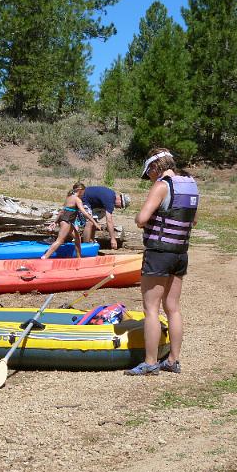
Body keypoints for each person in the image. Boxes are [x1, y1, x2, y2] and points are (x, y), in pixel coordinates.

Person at [126, 148, 199, 376]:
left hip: (159, 253)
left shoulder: (161, 185)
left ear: (155, 168)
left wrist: (138, 217)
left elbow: (142, 219)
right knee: (173, 307)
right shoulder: (190, 185)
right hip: (180, 253)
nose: (149, 177)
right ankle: (173, 360)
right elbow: (193, 220)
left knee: (151, 308)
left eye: (148, 173)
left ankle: (150, 362)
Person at [41, 183, 94, 259]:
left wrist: (55, 222)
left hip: (65, 220)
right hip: (67, 221)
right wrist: (95, 222)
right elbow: (84, 212)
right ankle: (45, 257)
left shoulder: (69, 197)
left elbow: (62, 211)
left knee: (77, 237)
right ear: (79, 190)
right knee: (60, 240)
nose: (83, 194)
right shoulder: (77, 199)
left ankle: (79, 258)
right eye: (83, 192)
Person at [80, 186, 130, 250]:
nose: (120, 208)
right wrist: (113, 239)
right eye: (122, 206)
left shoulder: (111, 196)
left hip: (91, 202)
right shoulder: (110, 200)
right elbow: (109, 221)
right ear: (120, 200)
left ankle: (91, 241)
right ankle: (86, 247)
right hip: (83, 197)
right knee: (89, 223)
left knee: (94, 221)